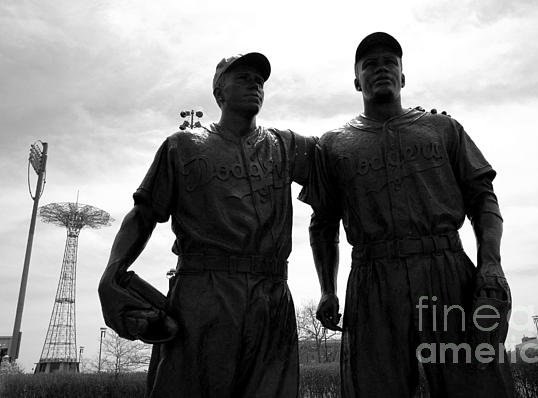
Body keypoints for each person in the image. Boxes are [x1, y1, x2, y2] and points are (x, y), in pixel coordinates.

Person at [299, 32, 515, 397]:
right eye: (370, 64)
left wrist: (490, 263)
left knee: (476, 383)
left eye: (390, 63)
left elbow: (483, 198)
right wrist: (327, 289)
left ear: (403, 77)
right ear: (356, 81)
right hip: (373, 279)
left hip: (446, 272)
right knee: (372, 388)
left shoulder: (442, 128)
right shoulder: (333, 144)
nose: (381, 69)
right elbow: (323, 225)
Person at [98, 52, 316, 398]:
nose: (254, 83)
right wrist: (113, 270)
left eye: (259, 79)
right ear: (219, 93)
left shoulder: (285, 145)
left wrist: (424, 138)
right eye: (242, 77)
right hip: (204, 294)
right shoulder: (182, 146)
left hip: (271, 294)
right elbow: (143, 214)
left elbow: (345, 160)